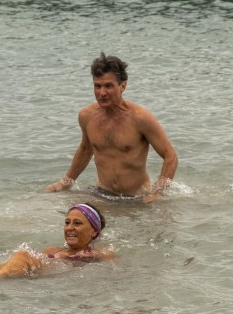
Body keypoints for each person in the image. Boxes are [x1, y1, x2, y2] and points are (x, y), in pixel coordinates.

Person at [45, 53, 178, 203]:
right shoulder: (86, 116)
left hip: (137, 197)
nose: (102, 93)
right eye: (97, 86)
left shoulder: (140, 118)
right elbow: (85, 150)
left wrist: (157, 193)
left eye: (108, 86)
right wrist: (65, 183)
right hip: (102, 193)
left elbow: (170, 157)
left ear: (123, 86)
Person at [0, 203, 113, 288]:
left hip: (48, 281)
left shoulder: (98, 254)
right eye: (67, 223)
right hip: (32, 277)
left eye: (77, 223)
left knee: (22, 255)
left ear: (94, 231)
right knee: (20, 255)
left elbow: (113, 272)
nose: (69, 228)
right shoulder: (52, 250)